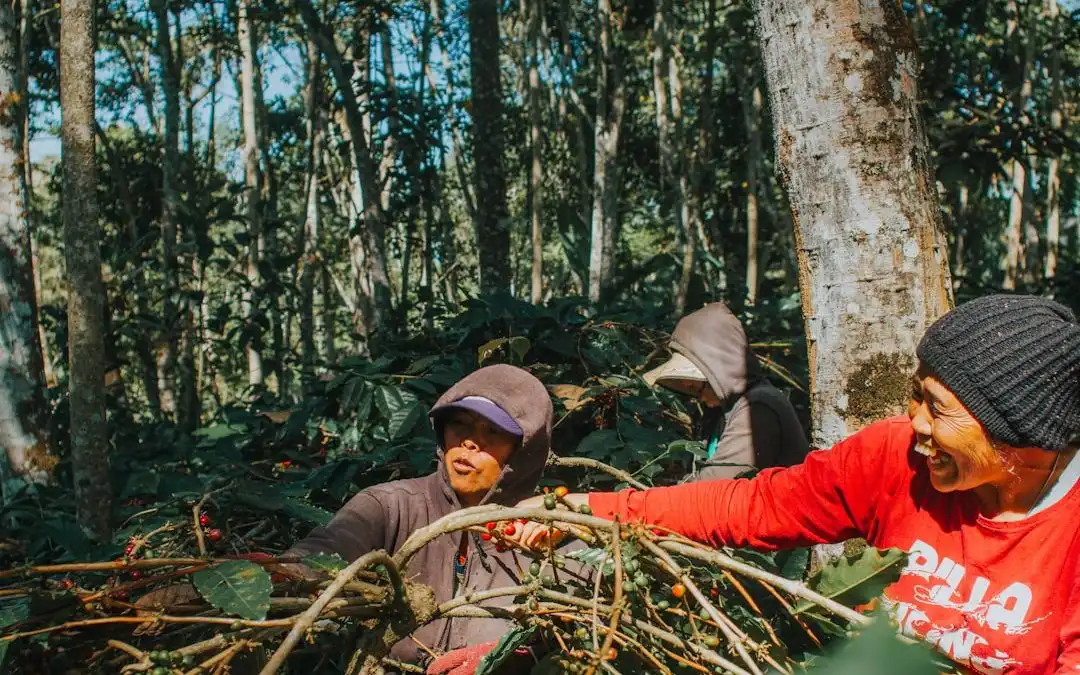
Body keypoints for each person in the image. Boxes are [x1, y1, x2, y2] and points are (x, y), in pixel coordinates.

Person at [510, 295, 1080, 675]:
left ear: (1019, 437)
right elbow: (749, 505)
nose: (917, 423)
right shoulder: (892, 457)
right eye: (917, 394)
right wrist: (582, 509)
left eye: (939, 409)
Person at [285, 364, 557, 673]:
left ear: (523, 451)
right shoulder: (392, 506)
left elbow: (577, 627)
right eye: (460, 424)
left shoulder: (545, 531)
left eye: (492, 431)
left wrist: (514, 654)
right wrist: (282, 571)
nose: (468, 442)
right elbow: (327, 548)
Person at [642, 302, 808, 479]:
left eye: (698, 388)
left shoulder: (759, 406)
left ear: (718, 373)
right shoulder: (723, 412)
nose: (699, 398)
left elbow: (717, 485)